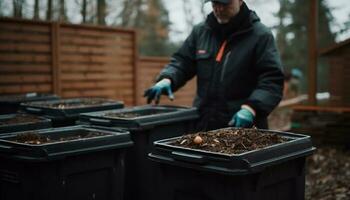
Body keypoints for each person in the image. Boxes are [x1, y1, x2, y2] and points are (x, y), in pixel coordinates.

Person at [144, 0, 284, 131]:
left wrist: (251, 108)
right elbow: (183, 61)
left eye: (225, 3)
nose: (219, 8)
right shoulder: (201, 31)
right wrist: (168, 77)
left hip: (242, 130)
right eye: (215, 3)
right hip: (203, 125)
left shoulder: (260, 36)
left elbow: (272, 80)